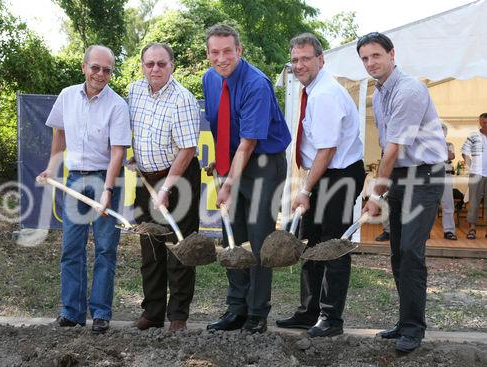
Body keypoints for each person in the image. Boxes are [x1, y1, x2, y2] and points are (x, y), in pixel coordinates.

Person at [357, 32, 446, 352]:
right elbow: (386, 148)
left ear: (392, 54)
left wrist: (377, 192)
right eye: (365, 58)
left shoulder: (408, 90)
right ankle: (405, 321)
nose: (370, 63)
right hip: (399, 174)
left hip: (424, 175)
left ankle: (413, 328)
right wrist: (381, 186)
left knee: (410, 250)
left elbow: (394, 147)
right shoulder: (380, 93)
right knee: (397, 251)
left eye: (376, 56)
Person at [276, 33, 365, 338]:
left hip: (338, 176)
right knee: (310, 243)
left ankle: (330, 318)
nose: (299, 65)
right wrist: (307, 187)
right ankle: (309, 312)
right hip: (323, 173)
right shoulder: (312, 90)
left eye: (305, 59)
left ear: (320, 59)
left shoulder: (324, 93)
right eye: (295, 60)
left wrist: (304, 190)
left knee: (331, 247)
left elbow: (326, 150)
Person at [203, 24, 291, 334]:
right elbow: (222, 126)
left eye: (228, 51)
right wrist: (221, 161)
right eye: (215, 52)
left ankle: (257, 313)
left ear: (239, 50)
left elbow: (250, 141)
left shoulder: (256, 84)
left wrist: (228, 182)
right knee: (232, 239)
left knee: (258, 242)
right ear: (208, 53)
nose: (221, 58)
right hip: (234, 161)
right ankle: (235, 309)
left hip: (264, 165)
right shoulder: (209, 79)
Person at [38, 45, 131, 333]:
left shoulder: (117, 105)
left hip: (107, 178)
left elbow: (118, 152)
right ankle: (72, 312)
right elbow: (60, 134)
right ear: (84, 67)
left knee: (105, 249)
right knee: (72, 248)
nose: (100, 74)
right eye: (95, 67)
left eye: (106, 70)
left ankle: (101, 313)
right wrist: (52, 168)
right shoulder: (67, 96)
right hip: (75, 180)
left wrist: (107, 191)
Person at [128, 43, 201, 332]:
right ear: (143, 65)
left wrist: (167, 188)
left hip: (179, 178)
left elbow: (187, 149)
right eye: (149, 64)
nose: (155, 69)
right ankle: (153, 312)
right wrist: (139, 156)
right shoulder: (135, 91)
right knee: (150, 247)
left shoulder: (183, 99)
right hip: (146, 179)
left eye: (161, 63)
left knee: (179, 246)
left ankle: (178, 316)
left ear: (172, 65)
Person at [461, 112, 487, 240]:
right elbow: (464, 151)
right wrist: (470, 166)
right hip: (476, 173)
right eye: (483, 122)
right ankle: (472, 229)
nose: (485, 124)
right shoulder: (473, 135)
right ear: (479, 122)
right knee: (474, 202)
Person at [441, 123, 457, 240]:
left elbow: (451, 156)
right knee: (429, 205)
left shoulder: (449, 144)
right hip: (431, 176)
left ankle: (449, 231)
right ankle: (426, 231)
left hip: (446, 176)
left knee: (448, 204)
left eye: (443, 131)